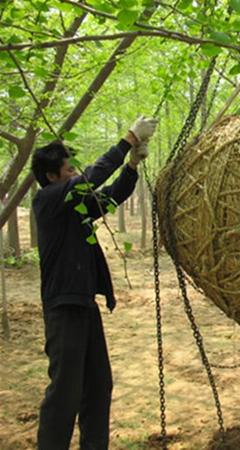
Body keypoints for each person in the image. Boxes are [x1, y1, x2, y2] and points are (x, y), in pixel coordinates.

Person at [32, 116, 158, 450]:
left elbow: (112, 196)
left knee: (99, 386)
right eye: (69, 170)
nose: (75, 174)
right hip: (64, 310)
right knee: (65, 393)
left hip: (85, 307)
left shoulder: (76, 205)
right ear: (52, 176)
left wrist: (131, 166)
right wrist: (128, 138)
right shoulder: (48, 201)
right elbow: (92, 178)